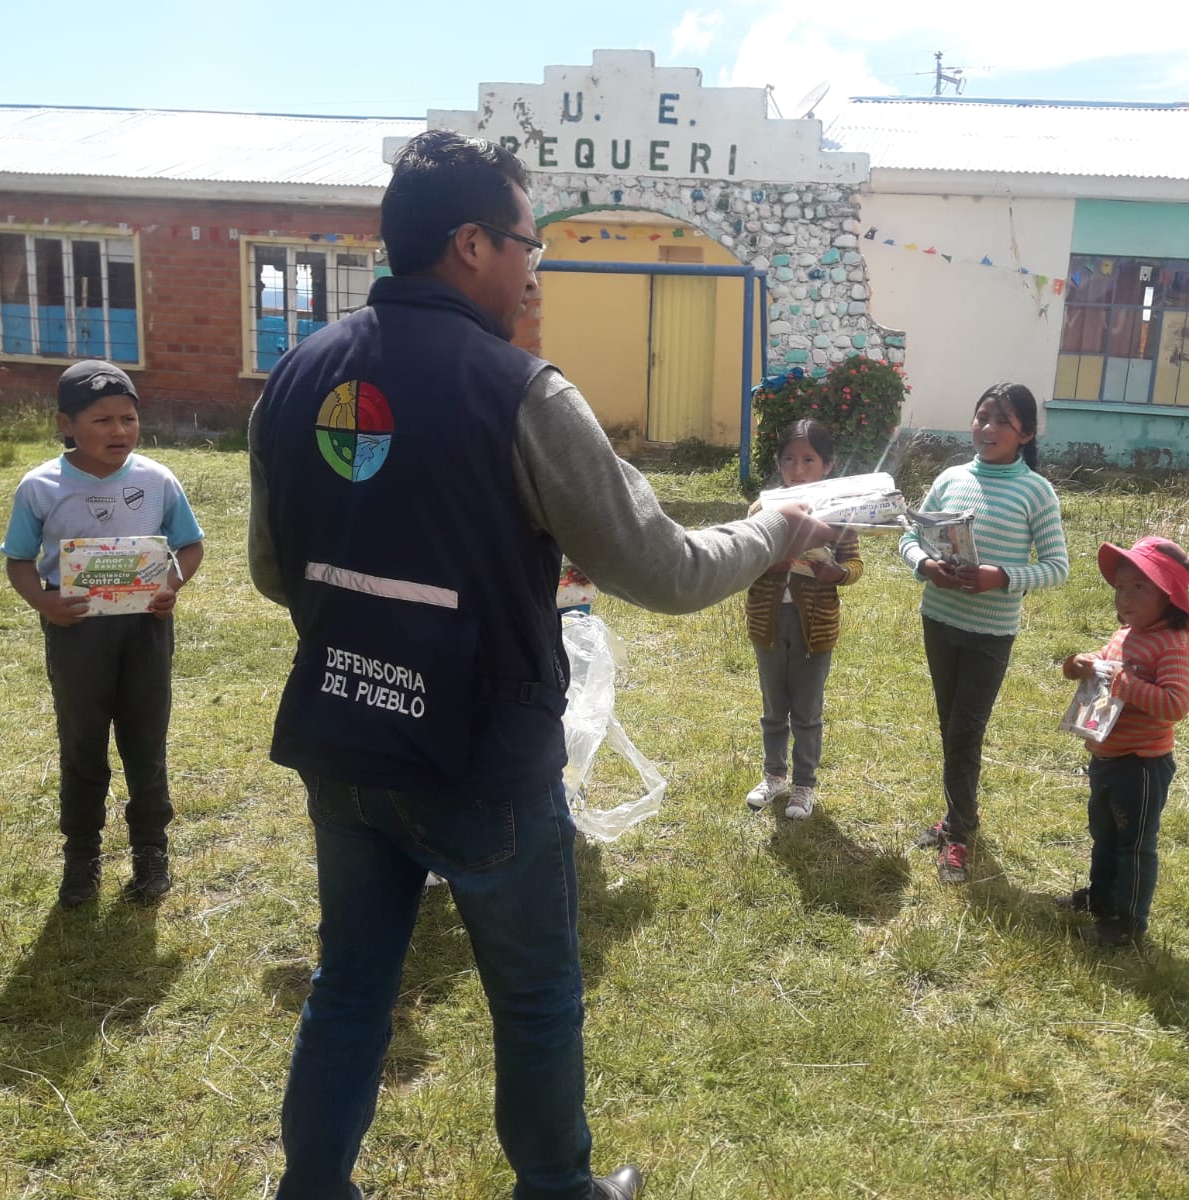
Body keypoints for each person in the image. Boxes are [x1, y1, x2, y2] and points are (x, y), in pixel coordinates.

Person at [247, 129, 834, 1200]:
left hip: (343, 742)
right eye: (527, 245)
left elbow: (275, 573)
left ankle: (311, 1188)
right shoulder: (522, 391)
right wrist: (773, 528)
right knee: (533, 998)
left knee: (349, 991)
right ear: (470, 244)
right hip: (484, 760)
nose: (534, 272)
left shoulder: (296, 376)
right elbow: (663, 569)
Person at [0, 359, 205, 908]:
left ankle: (150, 850)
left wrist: (171, 586)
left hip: (145, 630)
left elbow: (189, 546)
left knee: (146, 740)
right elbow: (19, 559)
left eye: (129, 418)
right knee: (83, 742)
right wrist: (44, 601)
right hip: (77, 635)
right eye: (102, 420)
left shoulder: (156, 480)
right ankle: (82, 855)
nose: (119, 431)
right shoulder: (41, 486)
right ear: (67, 424)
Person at [897, 382, 1069, 883]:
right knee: (950, 724)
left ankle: (960, 834)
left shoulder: (1036, 491)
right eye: (981, 416)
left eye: (1001, 420)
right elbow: (910, 534)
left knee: (966, 730)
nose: (986, 428)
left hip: (990, 633)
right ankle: (955, 815)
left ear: (1026, 433)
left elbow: (1058, 567)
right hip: (940, 620)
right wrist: (927, 564)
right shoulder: (950, 478)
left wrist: (1003, 576)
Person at [1057, 537, 1189, 948]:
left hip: (1141, 764)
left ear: (1169, 595)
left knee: (1134, 843)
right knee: (1103, 832)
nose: (1125, 597)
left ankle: (1129, 921)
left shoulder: (1175, 645)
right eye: (1121, 587)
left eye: (1140, 587)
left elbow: (1175, 704)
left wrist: (1127, 684)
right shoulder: (1125, 635)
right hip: (1106, 754)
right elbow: (1099, 668)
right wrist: (1078, 664)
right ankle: (1101, 899)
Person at [743, 420, 864, 820]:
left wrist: (839, 574)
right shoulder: (763, 507)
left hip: (817, 625)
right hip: (768, 620)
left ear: (827, 466)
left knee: (807, 710)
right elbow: (743, 558)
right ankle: (774, 776)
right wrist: (768, 564)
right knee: (773, 706)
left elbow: (854, 562)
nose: (798, 469)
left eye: (808, 460)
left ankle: (803, 785)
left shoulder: (840, 512)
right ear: (778, 464)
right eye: (790, 459)